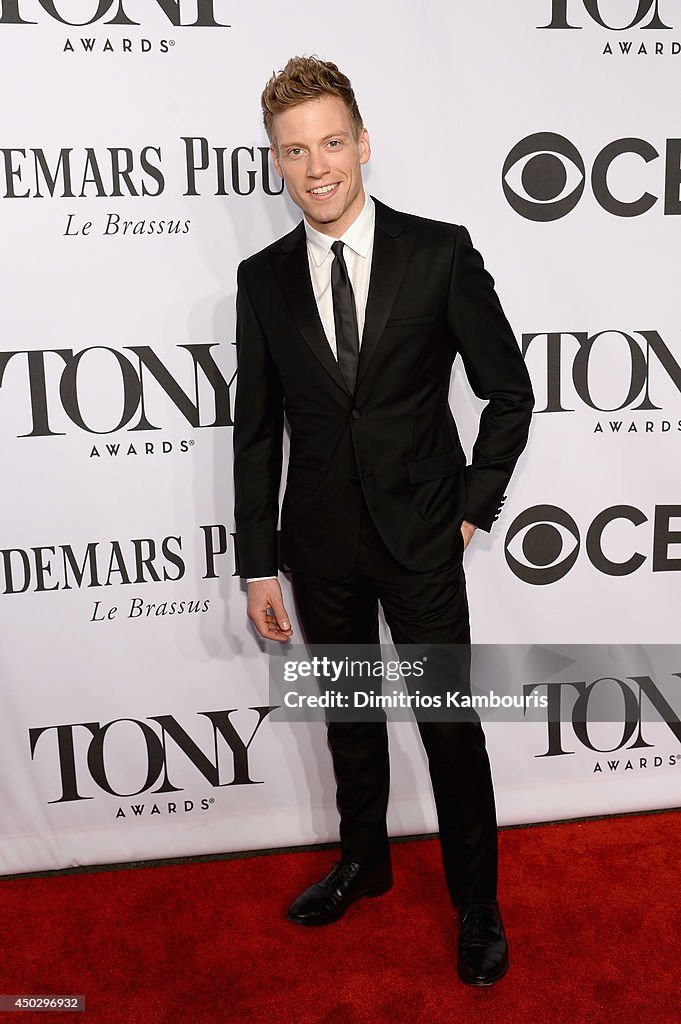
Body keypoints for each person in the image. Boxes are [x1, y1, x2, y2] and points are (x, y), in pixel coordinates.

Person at [233, 56, 534, 986]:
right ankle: (363, 862)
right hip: (319, 544)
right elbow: (256, 433)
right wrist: (256, 565)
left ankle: (476, 903)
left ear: (362, 144)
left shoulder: (438, 252)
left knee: (449, 727)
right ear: (276, 163)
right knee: (350, 721)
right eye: (294, 151)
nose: (316, 165)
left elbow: (508, 393)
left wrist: (471, 512)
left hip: (421, 542)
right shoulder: (262, 278)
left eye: (330, 142)